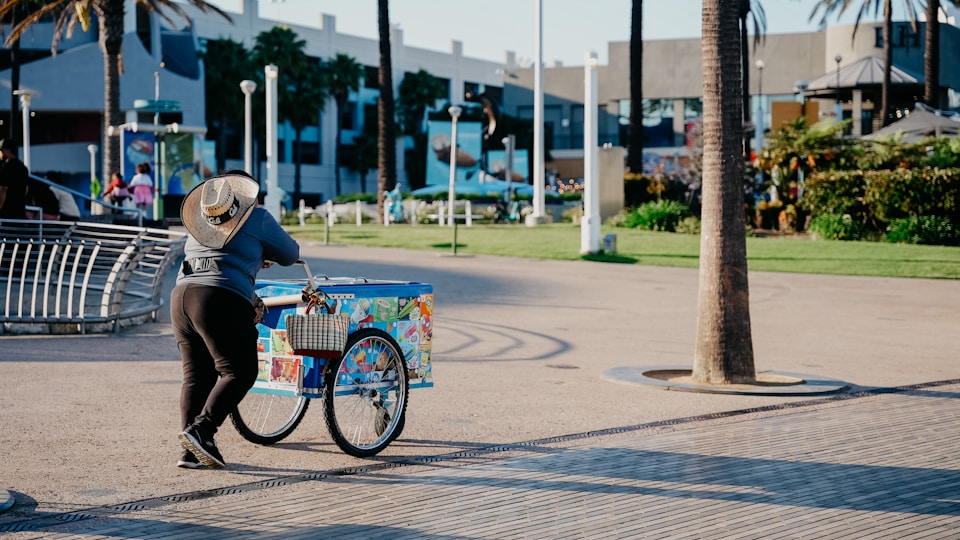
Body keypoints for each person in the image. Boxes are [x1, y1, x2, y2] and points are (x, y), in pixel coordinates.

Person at [172, 170, 300, 469]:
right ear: (246, 198)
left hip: (182, 298)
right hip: (219, 299)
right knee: (240, 372)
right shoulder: (257, 217)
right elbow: (290, 253)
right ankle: (202, 430)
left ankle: (191, 452)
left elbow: (220, 255)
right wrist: (262, 251)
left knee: (197, 377)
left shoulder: (201, 220)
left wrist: (253, 256)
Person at [0, 138, 28, 221]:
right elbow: (26, 189)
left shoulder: (6, 167)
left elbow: (3, 189)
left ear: (7, 151)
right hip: (20, 212)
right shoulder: (23, 168)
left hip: (7, 213)